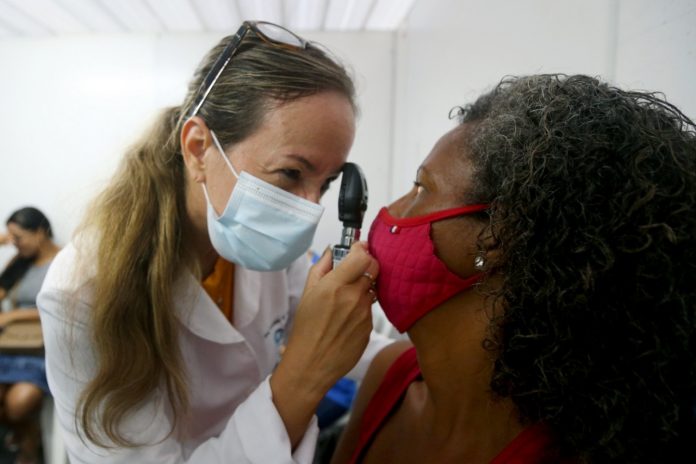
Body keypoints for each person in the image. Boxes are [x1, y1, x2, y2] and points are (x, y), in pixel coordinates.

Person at [37, 21, 390, 463]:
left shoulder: (265, 245)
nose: (308, 208)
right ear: (199, 148)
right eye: (291, 174)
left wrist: (429, 362)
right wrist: (301, 377)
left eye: (326, 183)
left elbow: (351, 342)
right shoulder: (81, 293)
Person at [331, 74, 696, 463]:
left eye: (422, 189)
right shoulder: (390, 373)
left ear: (498, 235)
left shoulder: (566, 453)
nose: (393, 212)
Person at [0, 207, 59, 464]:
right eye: (10, 238)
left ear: (40, 232)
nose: (15, 244)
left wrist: (12, 316)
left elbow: (61, 306)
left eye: (19, 237)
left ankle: (26, 439)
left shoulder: (64, 260)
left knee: (17, 404)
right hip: (9, 346)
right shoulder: (19, 263)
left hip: (40, 348)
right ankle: (27, 439)